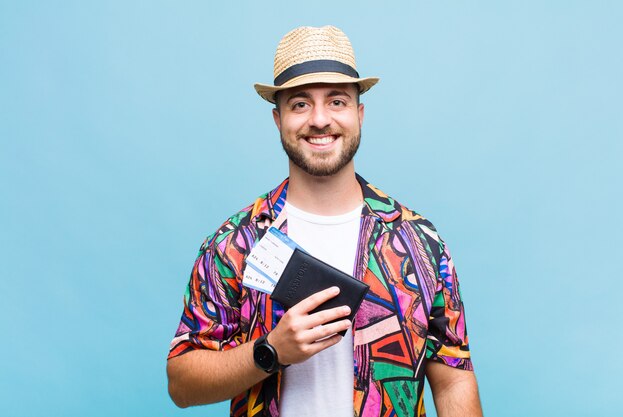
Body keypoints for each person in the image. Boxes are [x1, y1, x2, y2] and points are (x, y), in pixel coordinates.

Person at [167, 25, 482, 417]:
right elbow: (181, 383)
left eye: (336, 101)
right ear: (277, 119)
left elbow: (453, 378)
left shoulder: (418, 241)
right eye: (300, 104)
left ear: (359, 115)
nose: (319, 119)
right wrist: (269, 352)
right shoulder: (236, 243)